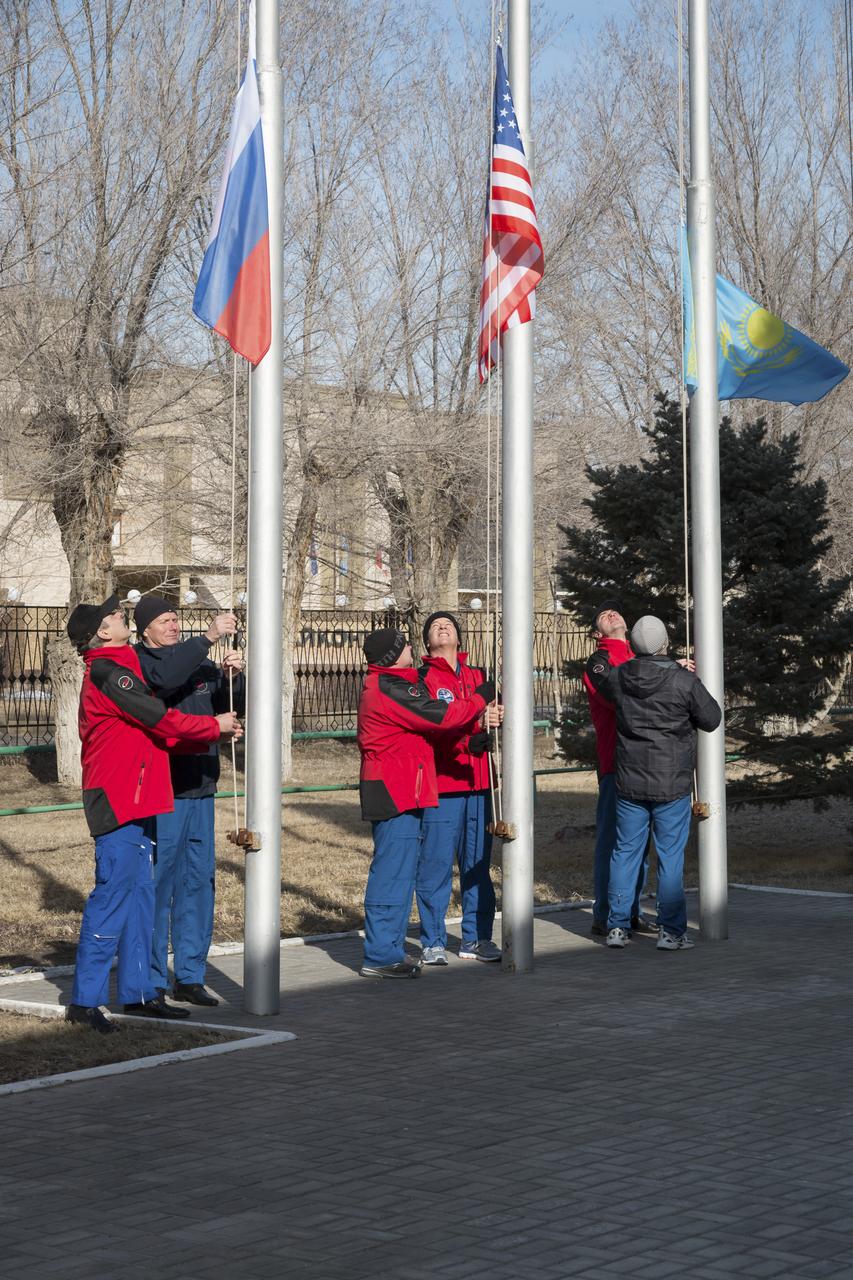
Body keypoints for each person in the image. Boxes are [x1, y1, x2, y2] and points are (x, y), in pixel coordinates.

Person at [64, 595, 241, 1034]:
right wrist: (210, 728)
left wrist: (210, 728)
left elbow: (156, 730)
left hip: (141, 799)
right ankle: (84, 1001)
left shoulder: (125, 665)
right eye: (115, 615)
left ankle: (141, 993)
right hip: (118, 800)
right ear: (103, 632)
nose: (122, 615)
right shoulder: (108, 672)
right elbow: (160, 719)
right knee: (113, 897)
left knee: (143, 900)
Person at [357, 627, 494, 979]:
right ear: (392, 656)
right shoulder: (390, 686)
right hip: (394, 790)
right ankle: (380, 955)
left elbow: (430, 732)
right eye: (404, 647)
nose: (410, 650)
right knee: (392, 873)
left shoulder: (395, 683)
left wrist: (467, 743)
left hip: (404, 789)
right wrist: (479, 699)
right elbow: (441, 716)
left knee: (400, 875)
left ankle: (388, 951)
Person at [133, 595, 245, 1007]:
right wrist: (209, 636)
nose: (173, 625)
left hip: (202, 786)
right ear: (145, 629)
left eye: (176, 619)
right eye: (164, 620)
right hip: (165, 790)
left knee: (198, 883)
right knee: (159, 886)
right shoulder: (143, 662)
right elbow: (165, 682)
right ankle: (151, 979)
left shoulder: (198, 661)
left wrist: (233, 680)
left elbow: (227, 708)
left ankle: (191, 975)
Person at [601, 615, 721, 951]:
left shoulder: (620, 676)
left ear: (633, 646)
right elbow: (711, 719)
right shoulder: (683, 681)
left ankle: (617, 928)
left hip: (629, 781)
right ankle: (671, 931)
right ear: (665, 644)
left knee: (624, 853)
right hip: (672, 782)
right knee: (670, 858)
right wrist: (682, 673)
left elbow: (606, 685)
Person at [415, 611, 504, 964]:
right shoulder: (421, 677)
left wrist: (497, 716)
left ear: (459, 637)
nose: (443, 626)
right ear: (427, 641)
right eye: (435, 625)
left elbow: (493, 712)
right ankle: (433, 941)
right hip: (443, 783)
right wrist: (471, 731)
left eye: (449, 624)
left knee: (478, 864)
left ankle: (477, 938)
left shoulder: (478, 676)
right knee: (435, 865)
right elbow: (433, 724)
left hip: (480, 782)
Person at [583, 602, 652, 937]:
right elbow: (616, 696)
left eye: (616, 612)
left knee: (640, 845)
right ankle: (606, 913)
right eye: (603, 616)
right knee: (613, 841)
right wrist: (662, 676)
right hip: (617, 762)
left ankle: (631, 911)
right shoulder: (598, 663)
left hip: (647, 764)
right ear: (598, 633)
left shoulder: (641, 658)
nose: (612, 614)